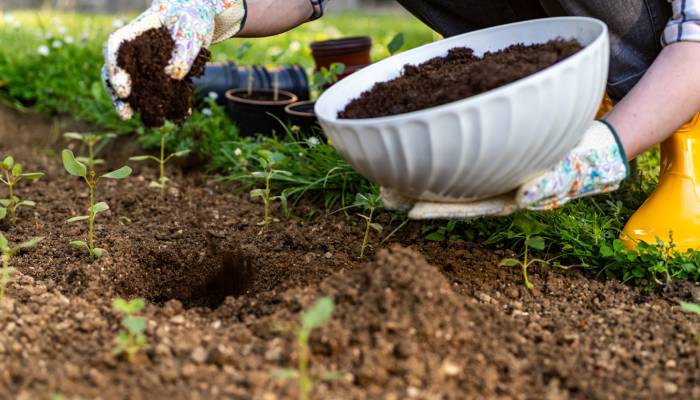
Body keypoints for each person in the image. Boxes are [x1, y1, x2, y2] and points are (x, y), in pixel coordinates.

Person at [102, 0, 700, 250]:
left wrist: (610, 146)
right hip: (556, 55)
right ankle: (548, 95)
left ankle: (678, 137)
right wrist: (210, 11)